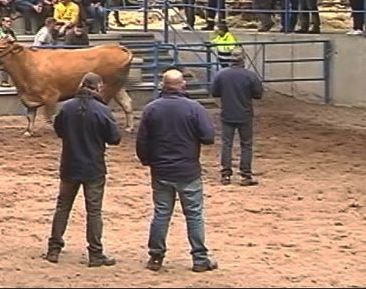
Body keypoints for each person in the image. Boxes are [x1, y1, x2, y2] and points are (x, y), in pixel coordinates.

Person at [136, 69, 217, 273]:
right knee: (194, 214)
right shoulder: (194, 108)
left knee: (162, 212)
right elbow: (208, 137)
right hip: (188, 169)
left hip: (161, 170)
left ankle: (156, 256)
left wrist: (147, 160)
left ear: (162, 85)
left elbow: (142, 141)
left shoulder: (151, 109)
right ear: (183, 85)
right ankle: (199, 258)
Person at [45, 73, 120, 266]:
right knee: (94, 211)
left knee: (63, 207)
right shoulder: (102, 110)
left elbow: (59, 130)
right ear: (98, 87)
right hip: (93, 166)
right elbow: (114, 138)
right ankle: (95, 253)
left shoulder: (66, 107)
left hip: (69, 164)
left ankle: (54, 249)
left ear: (81, 85)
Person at [210, 48, 263, 186]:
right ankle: (246, 175)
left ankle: (225, 175)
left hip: (227, 113)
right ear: (243, 59)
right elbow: (258, 94)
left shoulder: (221, 75)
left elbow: (215, 93)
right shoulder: (250, 75)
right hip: (245, 114)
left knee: (226, 144)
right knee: (246, 144)